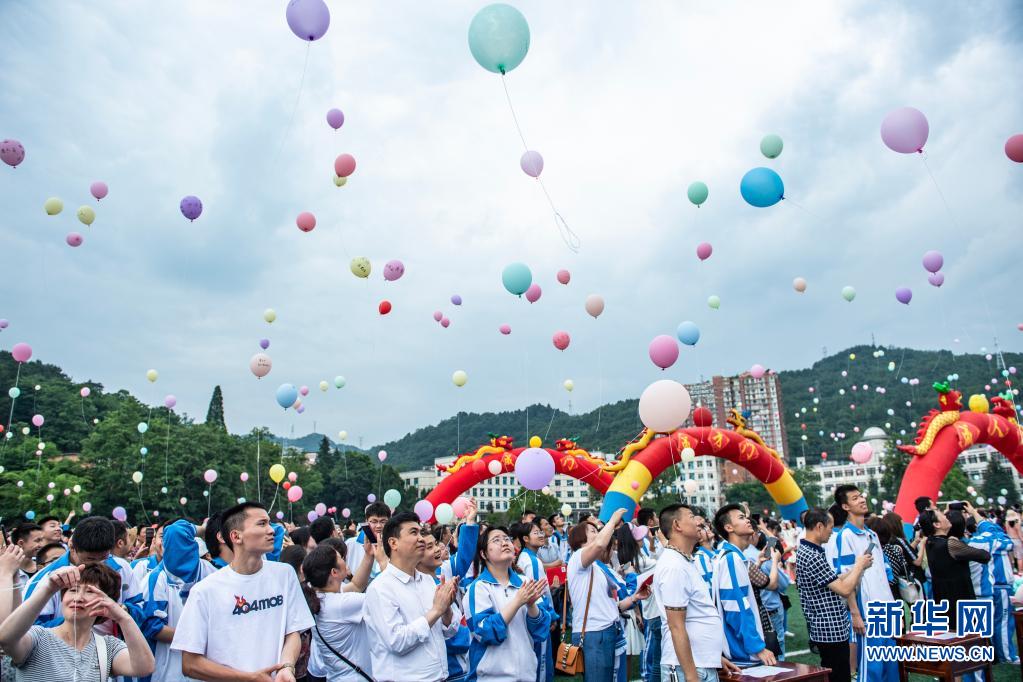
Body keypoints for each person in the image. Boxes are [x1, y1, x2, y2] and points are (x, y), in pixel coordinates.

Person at [171, 502, 313, 681]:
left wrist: (286, 666)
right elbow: (190, 664)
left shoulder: (284, 574)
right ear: (236, 536)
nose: (271, 530)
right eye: (262, 524)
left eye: (269, 523)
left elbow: (293, 631)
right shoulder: (204, 591)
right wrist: (249, 678)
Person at [0, 557, 155, 679]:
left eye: (90, 591)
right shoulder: (38, 637)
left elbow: (144, 667)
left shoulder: (108, 647)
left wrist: (123, 618)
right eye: (73, 590)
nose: (78, 598)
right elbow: (6, 637)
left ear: (106, 600)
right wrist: (49, 588)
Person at [363, 511, 461, 682]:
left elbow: (449, 630)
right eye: (413, 532)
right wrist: (436, 610)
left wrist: (446, 608)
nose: (421, 539)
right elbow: (397, 642)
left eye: (420, 532)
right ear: (393, 543)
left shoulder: (428, 581)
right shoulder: (380, 588)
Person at [655, 504, 737, 682]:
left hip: (699, 664)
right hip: (688, 669)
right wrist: (691, 676)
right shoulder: (674, 566)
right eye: (692, 517)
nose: (699, 522)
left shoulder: (684, 560)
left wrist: (712, 657)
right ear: (677, 525)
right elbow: (676, 626)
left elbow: (696, 614)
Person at [825, 486, 896, 682]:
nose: (862, 500)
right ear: (845, 506)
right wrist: (855, 614)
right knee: (872, 668)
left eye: (861, 496)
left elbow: (882, 576)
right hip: (867, 609)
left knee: (892, 665)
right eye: (855, 498)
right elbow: (845, 580)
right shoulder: (845, 536)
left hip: (887, 608)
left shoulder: (872, 535)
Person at [22, 515, 144, 629]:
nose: (97, 564)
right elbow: (29, 629)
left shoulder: (121, 567)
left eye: (104, 558)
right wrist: (80, 619)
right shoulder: (46, 579)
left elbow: (139, 607)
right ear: (71, 546)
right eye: (90, 559)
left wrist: (123, 610)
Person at [566, 507, 645, 681]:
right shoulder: (578, 558)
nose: (598, 533)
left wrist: (634, 598)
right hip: (594, 632)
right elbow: (600, 544)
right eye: (593, 531)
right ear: (580, 539)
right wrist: (613, 520)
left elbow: (612, 605)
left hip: (608, 629)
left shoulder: (597, 567)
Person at [463, 526, 551, 681]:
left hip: (527, 675)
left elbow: (541, 631)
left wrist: (531, 605)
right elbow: (484, 632)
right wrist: (517, 602)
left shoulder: (524, 582)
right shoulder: (478, 588)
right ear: (484, 554)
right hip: (491, 677)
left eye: (506, 539)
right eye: (496, 540)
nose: (504, 543)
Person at [795, 508, 872, 682]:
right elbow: (844, 590)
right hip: (829, 629)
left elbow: (832, 580)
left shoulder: (810, 551)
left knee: (836, 673)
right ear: (819, 526)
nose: (832, 532)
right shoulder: (812, 555)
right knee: (839, 675)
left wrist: (857, 568)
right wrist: (859, 566)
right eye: (830, 527)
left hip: (827, 627)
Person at [139, 519, 217, 682]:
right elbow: (153, 627)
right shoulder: (155, 579)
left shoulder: (209, 571)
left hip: (207, 667)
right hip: (168, 670)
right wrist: (196, 637)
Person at [302, 537, 377, 682]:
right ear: (334, 572)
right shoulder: (341, 604)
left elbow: (356, 585)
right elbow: (383, 598)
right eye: (340, 558)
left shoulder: (318, 594)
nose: (344, 560)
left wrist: (369, 555)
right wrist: (384, 560)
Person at [711, 504, 777, 666]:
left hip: (741, 650)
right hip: (743, 653)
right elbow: (736, 607)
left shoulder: (732, 555)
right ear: (729, 527)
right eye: (741, 518)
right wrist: (757, 647)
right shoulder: (731, 558)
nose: (747, 520)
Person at [919, 505, 989, 633]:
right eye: (943, 515)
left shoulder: (930, 542)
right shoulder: (950, 544)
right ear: (937, 524)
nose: (947, 517)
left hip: (942, 598)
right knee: (970, 636)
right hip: (960, 596)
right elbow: (984, 556)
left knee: (952, 637)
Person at [966, 507, 1018, 663]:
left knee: (990, 624)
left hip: (988, 586)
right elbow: (1008, 542)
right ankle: (1006, 655)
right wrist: (980, 519)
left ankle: (994, 653)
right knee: (1003, 622)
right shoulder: (992, 540)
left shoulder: (973, 542)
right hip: (1000, 585)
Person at [512, 520, 558, 682]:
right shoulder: (531, 561)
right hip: (539, 617)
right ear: (525, 539)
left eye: (541, 532)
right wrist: (551, 616)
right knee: (541, 665)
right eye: (536, 533)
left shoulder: (526, 557)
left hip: (532, 615)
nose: (541, 535)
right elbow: (536, 594)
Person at [346, 502, 391, 584]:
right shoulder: (350, 544)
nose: (378, 526)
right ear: (366, 521)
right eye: (374, 521)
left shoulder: (394, 545)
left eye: (383, 521)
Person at [9, 524, 43, 590]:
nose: (42, 545)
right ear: (21, 543)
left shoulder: (44, 566)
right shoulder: (8, 573)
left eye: (42, 540)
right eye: (37, 540)